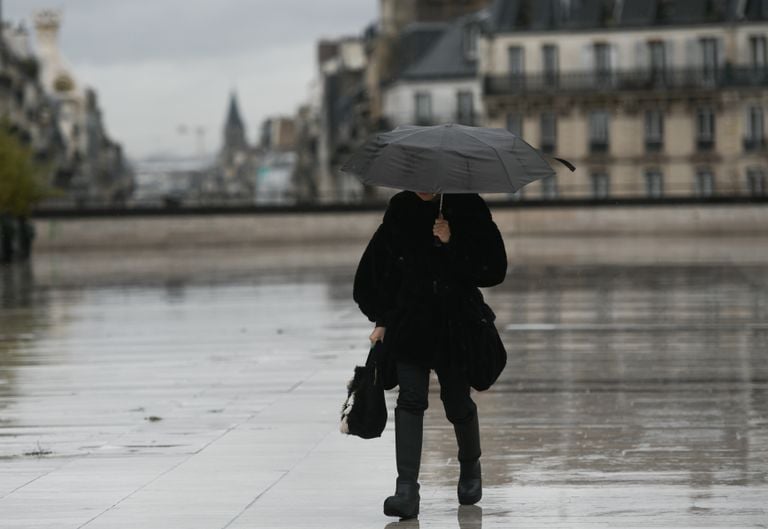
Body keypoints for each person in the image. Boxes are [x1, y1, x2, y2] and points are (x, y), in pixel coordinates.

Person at [353, 190, 507, 519]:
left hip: (455, 324)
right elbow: (381, 269)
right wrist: (382, 319)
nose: (421, 185)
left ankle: (470, 468)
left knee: (457, 401)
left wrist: (453, 241)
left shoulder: (468, 205)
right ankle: (406, 490)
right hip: (411, 322)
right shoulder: (401, 208)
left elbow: (493, 268)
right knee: (410, 399)